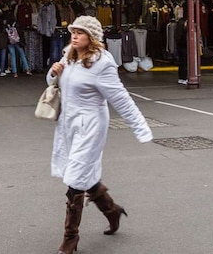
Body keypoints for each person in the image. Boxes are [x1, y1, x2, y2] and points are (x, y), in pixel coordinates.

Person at [47, 16, 152, 254]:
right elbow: (54, 83)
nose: (74, 36)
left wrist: (140, 126)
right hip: (69, 123)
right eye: (73, 31)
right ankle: (112, 211)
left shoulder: (102, 63)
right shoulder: (69, 54)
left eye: (80, 33)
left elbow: (121, 98)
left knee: (75, 180)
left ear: (92, 38)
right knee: (85, 176)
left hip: (91, 125)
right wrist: (53, 73)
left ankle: (70, 238)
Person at [175, 15, 189, 85]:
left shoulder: (178, 33)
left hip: (180, 47)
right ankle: (184, 77)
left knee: (181, 63)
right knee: (185, 63)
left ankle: (181, 78)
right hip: (184, 48)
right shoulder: (184, 32)